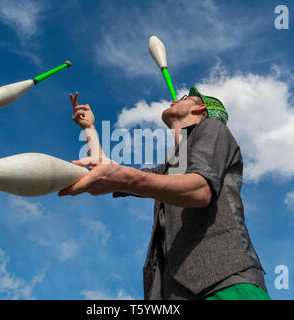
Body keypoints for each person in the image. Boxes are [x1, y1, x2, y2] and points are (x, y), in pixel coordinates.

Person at [59, 88, 271, 300]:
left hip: (224, 282)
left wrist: (127, 178)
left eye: (185, 98)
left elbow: (200, 190)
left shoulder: (213, 127)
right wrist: (89, 129)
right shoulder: (171, 166)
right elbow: (104, 169)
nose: (174, 99)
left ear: (200, 108)